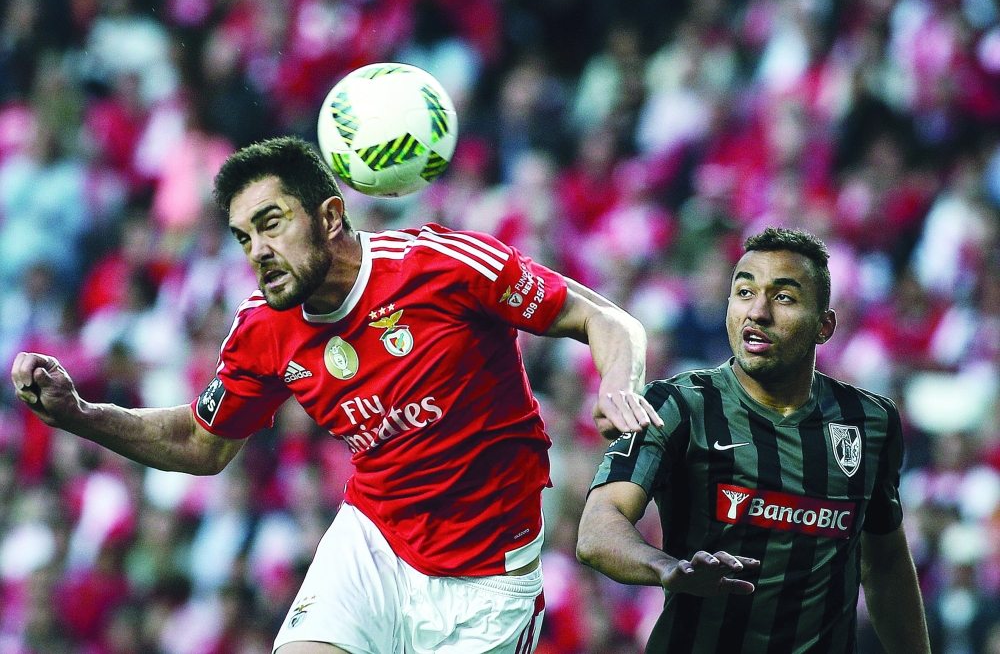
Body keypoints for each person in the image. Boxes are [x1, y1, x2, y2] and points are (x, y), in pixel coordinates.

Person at [11, 136, 663, 654]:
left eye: (270, 223)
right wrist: (80, 414)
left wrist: (616, 386)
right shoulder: (262, 329)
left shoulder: (442, 267)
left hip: (487, 577)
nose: (258, 251)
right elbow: (200, 444)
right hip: (373, 541)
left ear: (328, 217)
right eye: (243, 237)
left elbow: (607, 321)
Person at [576, 227, 931, 654]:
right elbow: (597, 530)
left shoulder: (870, 422)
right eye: (745, 292)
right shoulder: (677, 405)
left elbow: (886, 564)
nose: (758, 312)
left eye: (783, 297)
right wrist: (666, 568)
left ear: (824, 326)